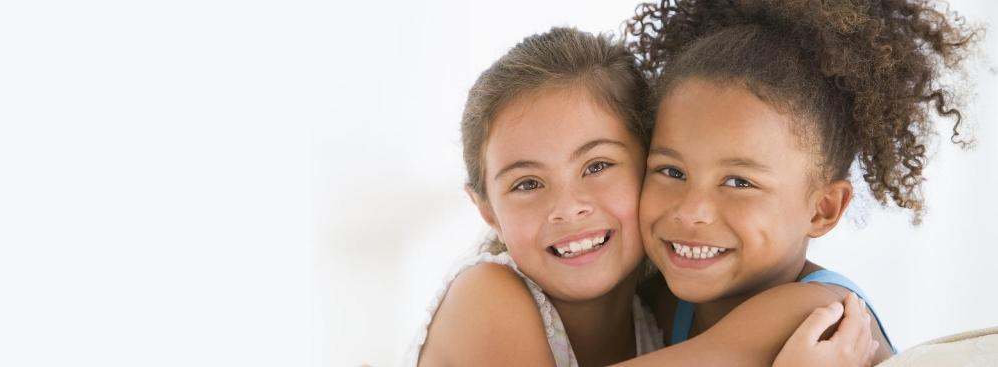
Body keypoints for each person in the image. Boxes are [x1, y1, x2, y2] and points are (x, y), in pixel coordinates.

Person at [406, 26, 877, 367]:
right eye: (527, 183)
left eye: (597, 166)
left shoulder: (817, 313)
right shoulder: (487, 296)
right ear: (486, 208)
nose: (569, 207)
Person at [619, 0, 979, 365]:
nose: (691, 211)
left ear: (823, 209)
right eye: (672, 172)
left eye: (739, 182)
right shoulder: (668, 301)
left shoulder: (817, 313)